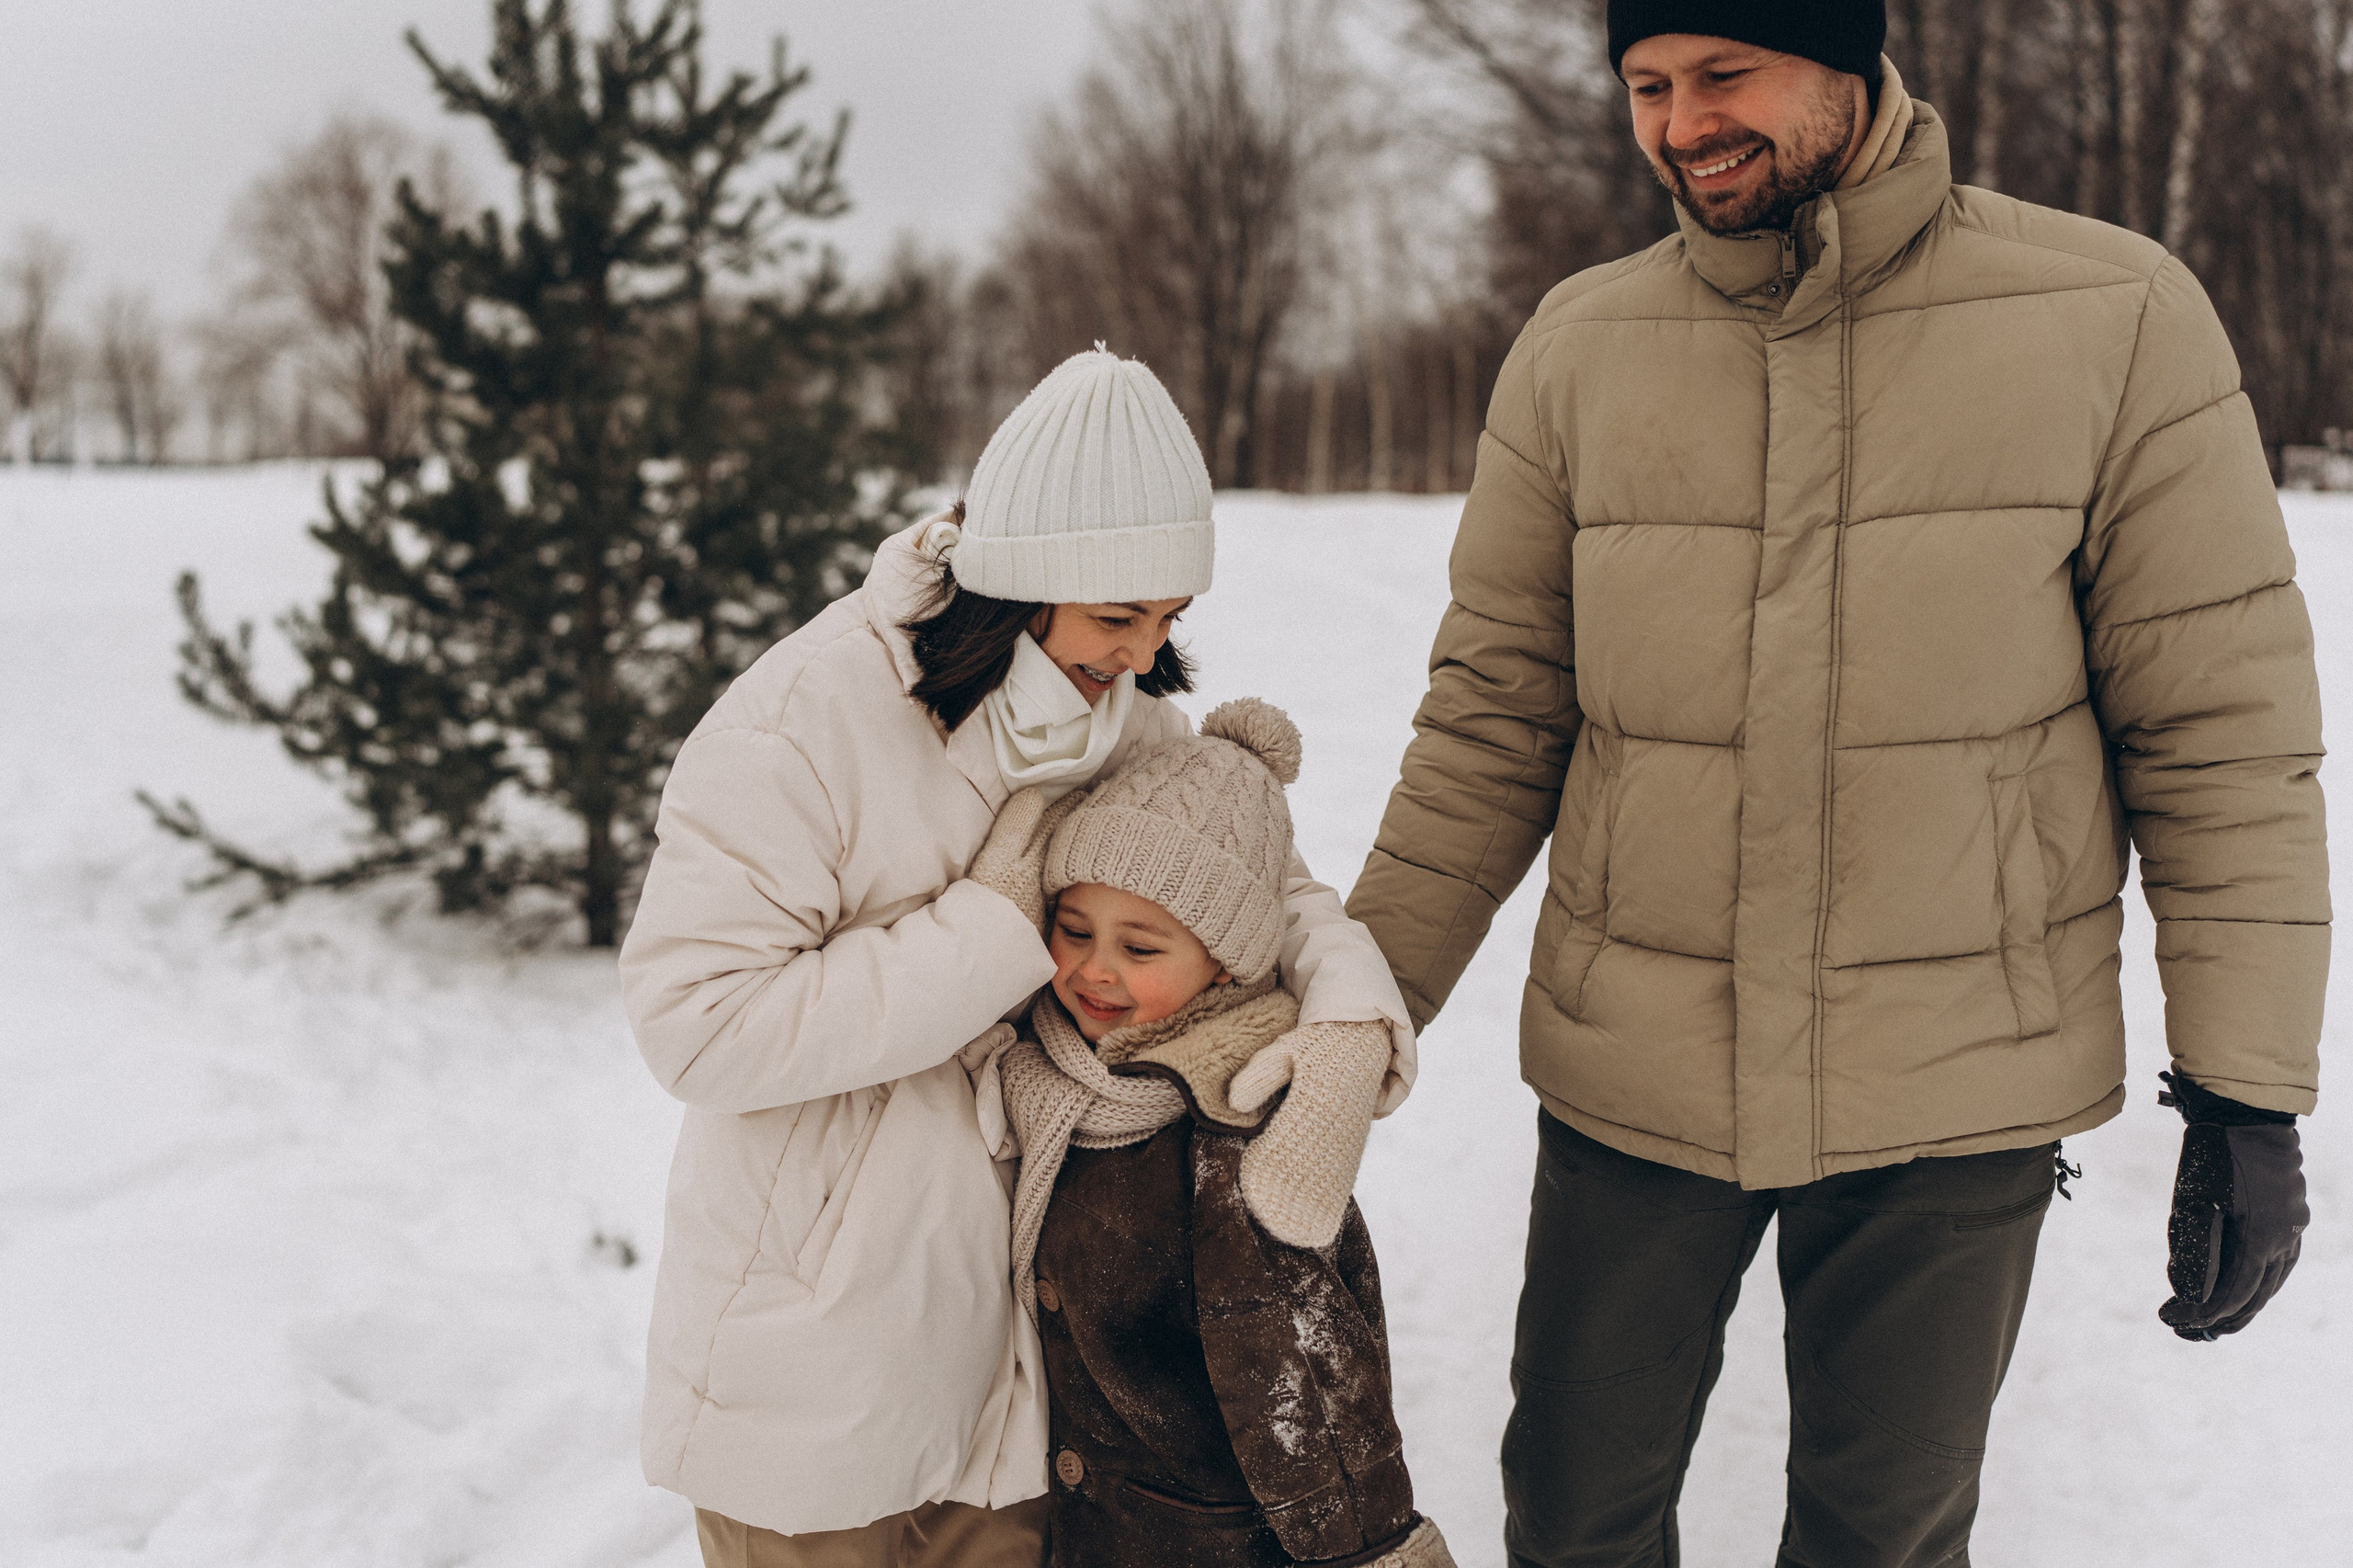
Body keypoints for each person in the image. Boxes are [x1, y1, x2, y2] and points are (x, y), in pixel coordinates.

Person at [1344, 4, 2324, 1565]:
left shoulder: (2110, 314)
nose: (1680, 125)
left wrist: (2245, 1092)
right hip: (1637, 1071)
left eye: (1725, 75)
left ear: (1847, 66)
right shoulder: (1583, 346)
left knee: (1885, 1538)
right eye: (1648, 87)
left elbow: (2219, 735)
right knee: (1575, 1518)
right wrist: (1353, 1016)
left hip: (1958, 1076)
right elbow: (1492, 721)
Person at [618, 349, 1412, 1566]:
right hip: (821, 1354)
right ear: (1024, 585)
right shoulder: (799, 724)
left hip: (1024, 1365)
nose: (1147, 656)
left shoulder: (1116, 715)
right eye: (1118, 616)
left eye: (1169, 620)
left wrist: (1350, 1010)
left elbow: (1255, 870)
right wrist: (989, 934)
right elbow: (699, 1024)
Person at [972, 699, 1455, 1568]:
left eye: (1142, 949)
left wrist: (1370, 1549)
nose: (1094, 969)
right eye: (1073, 930)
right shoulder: (1051, 1071)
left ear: (1227, 962)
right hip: (1086, 1529)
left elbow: (1309, 1376)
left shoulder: (1234, 1132)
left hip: (1207, 1541)